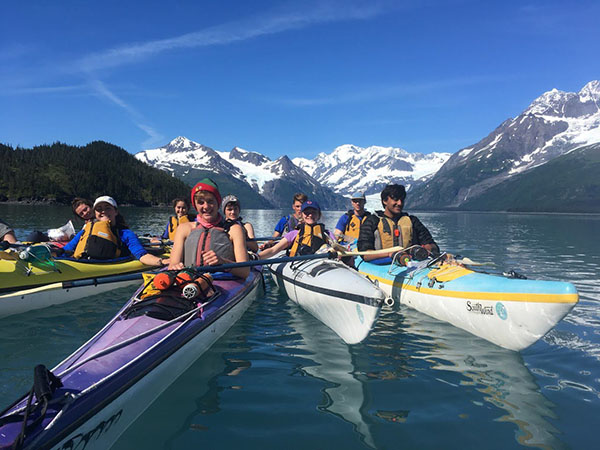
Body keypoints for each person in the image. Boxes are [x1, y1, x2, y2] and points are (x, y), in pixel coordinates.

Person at [168, 179, 249, 279]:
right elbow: (173, 264)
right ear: (195, 205)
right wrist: (175, 267)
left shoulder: (234, 229)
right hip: (189, 281)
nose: (206, 207)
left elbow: (245, 271)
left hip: (221, 282)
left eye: (210, 201)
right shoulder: (184, 229)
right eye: (201, 202)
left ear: (218, 203)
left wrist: (223, 262)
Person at [63, 196, 167, 267]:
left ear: (115, 211)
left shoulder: (125, 233)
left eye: (108, 208)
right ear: (95, 213)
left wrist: (162, 261)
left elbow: (141, 255)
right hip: (82, 264)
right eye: (99, 209)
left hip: (106, 267)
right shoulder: (86, 230)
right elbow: (66, 250)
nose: (103, 211)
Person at [357, 184, 439, 263]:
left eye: (402, 200)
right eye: (395, 199)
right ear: (385, 201)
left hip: (410, 264)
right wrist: (390, 254)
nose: (399, 203)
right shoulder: (372, 221)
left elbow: (433, 245)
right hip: (382, 266)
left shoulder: (412, 221)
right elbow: (365, 254)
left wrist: (427, 248)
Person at [259, 200, 334, 259]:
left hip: (322, 263)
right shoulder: (294, 234)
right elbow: (273, 250)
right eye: (307, 213)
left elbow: (338, 249)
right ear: (302, 215)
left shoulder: (327, 234)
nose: (310, 215)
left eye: (314, 212)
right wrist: (257, 257)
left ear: (319, 215)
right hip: (298, 264)